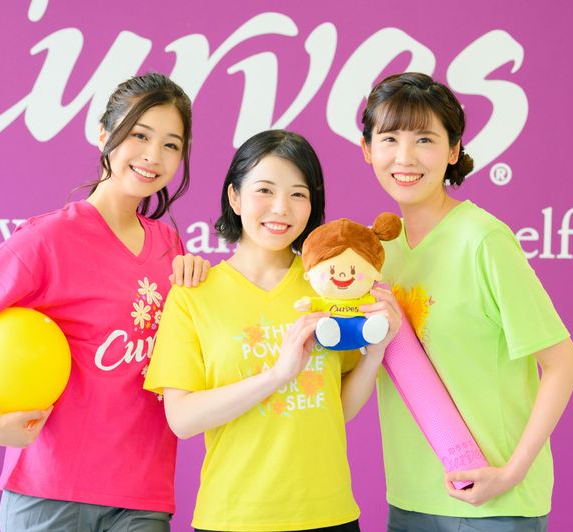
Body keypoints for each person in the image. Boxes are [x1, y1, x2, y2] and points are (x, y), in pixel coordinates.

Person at [0, 73, 209, 532]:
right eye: (139, 135)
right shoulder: (48, 238)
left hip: (143, 493)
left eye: (171, 144)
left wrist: (200, 282)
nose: (154, 155)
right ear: (104, 134)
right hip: (49, 489)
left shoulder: (171, 247)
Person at [143, 129, 401, 532]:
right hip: (233, 517)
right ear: (235, 197)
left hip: (329, 513)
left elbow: (337, 408)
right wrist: (278, 375)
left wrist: (376, 353)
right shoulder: (194, 294)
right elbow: (182, 419)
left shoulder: (330, 287)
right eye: (264, 190)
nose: (281, 208)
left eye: (298, 194)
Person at [359, 72, 573, 531]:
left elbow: (563, 363)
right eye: (389, 139)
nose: (405, 157)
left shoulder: (483, 240)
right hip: (410, 498)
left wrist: (511, 473)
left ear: (453, 150)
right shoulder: (378, 253)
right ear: (367, 149)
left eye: (424, 139)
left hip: (492, 503)